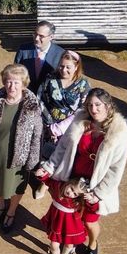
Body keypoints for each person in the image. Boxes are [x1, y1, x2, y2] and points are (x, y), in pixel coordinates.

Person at [36, 88, 127, 254]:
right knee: (71, 215)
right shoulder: (80, 120)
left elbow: (116, 169)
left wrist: (98, 194)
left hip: (94, 185)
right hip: (73, 178)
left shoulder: (120, 132)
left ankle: (92, 244)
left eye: (97, 105)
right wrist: (49, 167)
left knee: (89, 220)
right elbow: (63, 147)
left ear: (108, 106)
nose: (93, 109)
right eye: (90, 105)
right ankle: (70, 241)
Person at [0, 64, 42, 233]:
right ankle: (1, 206)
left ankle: (11, 211)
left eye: (16, 82)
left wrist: (33, 160)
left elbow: (37, 134)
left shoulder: (31, 105)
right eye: (9, 82)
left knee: (17, 185)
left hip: (19, 155)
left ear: (24, 84)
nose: (12, 86)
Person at [34, 50, 90, 199]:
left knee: (62, 158)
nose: (63, 70)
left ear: (76, 67)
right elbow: (39, 98)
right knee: (45, 155)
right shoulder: (50, 78)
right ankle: (44, 180)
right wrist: (49, 124)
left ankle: (46, 185)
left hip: (69, 129)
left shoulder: (83, 85)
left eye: (68, 67)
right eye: (61, 66)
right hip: (46, 124)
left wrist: (60, 127)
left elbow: (82, 110)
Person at [36, 174, 98, 254]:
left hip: (71, 226)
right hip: (57, 223)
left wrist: (92, 200)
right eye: (71, 189)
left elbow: (93, 209)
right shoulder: (57, 186)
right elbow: (48, 180)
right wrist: (41, 174)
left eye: (75, 194)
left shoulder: (77, 202)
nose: (71, 193)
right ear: (69, 183)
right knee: (53, 245)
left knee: (68, 246)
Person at [14, 20, 65, 94]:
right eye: (35, 34)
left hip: (49, 96)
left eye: (41, 36)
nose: (36, 38)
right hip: (26, 94)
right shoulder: (23, 50)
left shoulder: (60, 54)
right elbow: (16, 73)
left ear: (51, 37)